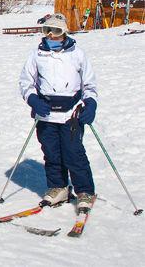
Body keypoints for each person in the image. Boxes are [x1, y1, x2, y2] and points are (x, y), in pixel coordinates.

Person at [19, 13, 97, 210]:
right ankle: (58, 188)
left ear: (64, 32)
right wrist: (33, 99)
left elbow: (89, 83)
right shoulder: (37, 54)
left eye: (56, 30)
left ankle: (85, 191)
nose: (51, 35)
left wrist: (91, 104)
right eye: (47, 30)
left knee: (74, 154)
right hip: (45, 113)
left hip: (71, 113)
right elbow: (26, 81)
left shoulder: (77, 54)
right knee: (51, 153)